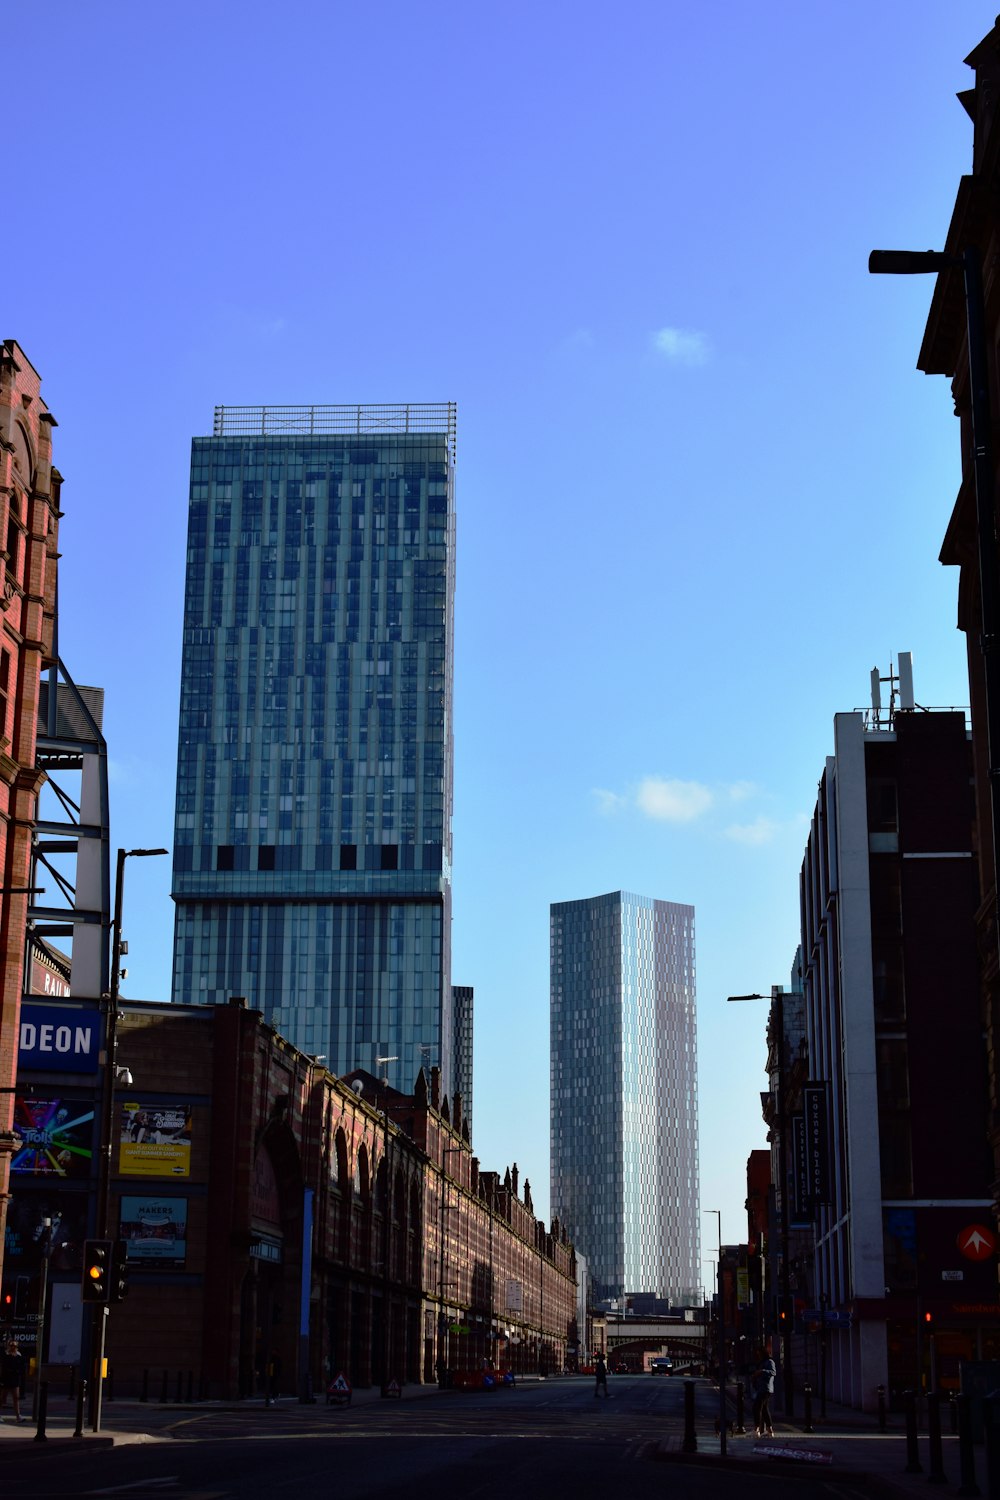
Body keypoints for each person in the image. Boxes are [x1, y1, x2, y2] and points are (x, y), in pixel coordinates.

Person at [751, 1347, 776, 1437]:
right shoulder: (761, 1362)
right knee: (764, 1409)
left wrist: (761, 1371)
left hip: (766, 1389)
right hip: (761, 1388)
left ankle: (756, 1429)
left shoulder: (770, 1362)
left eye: (760, 1354)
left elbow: (773, 1372)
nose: (759, 1356)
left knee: (756, 1407)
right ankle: (770, 1431)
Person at [0, 1338, 26, 1423]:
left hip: (15, 1380)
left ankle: (18, 1416)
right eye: (11, 1345)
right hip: (6, 1379)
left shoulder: (19, 1355)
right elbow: (3, 1367)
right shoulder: (5, 1355)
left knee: (16, 1398)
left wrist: (18, 1372)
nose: (13, 1347)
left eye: (14, 1346)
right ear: (8, 1346)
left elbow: (22, 1367)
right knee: (2, 1398)